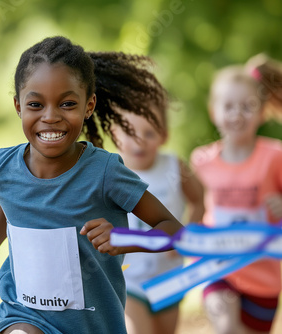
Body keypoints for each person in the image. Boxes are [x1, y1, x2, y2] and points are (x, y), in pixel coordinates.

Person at [0, 36, 184, 334]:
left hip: (94, 324)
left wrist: (125, 239)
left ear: (89, 106)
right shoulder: (1, 167)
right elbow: (9, 208)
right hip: (23, 315)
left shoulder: (105, 172)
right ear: (18, 106)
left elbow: (174, 229)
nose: (50, 116)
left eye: (67, 104)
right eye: (36, 104)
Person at [87, 51, 205, 334]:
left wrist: (188, 234)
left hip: (170, 275)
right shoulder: (110, 169)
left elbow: (199, 199)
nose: (140, 142)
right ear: (115, 133)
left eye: (149, 133)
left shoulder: (175, 165)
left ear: (163, 134)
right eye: (131, 133)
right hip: (130, 277)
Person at [190, 54, 282, 334]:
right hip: (218, 269)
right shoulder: (201, 161)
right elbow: (193, 208)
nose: (236, 114)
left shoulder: (274, 156)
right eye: (228, 106)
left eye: (247, 106)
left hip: (264, 277)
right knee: (226, 327)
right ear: (213, 111)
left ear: (262, 111)